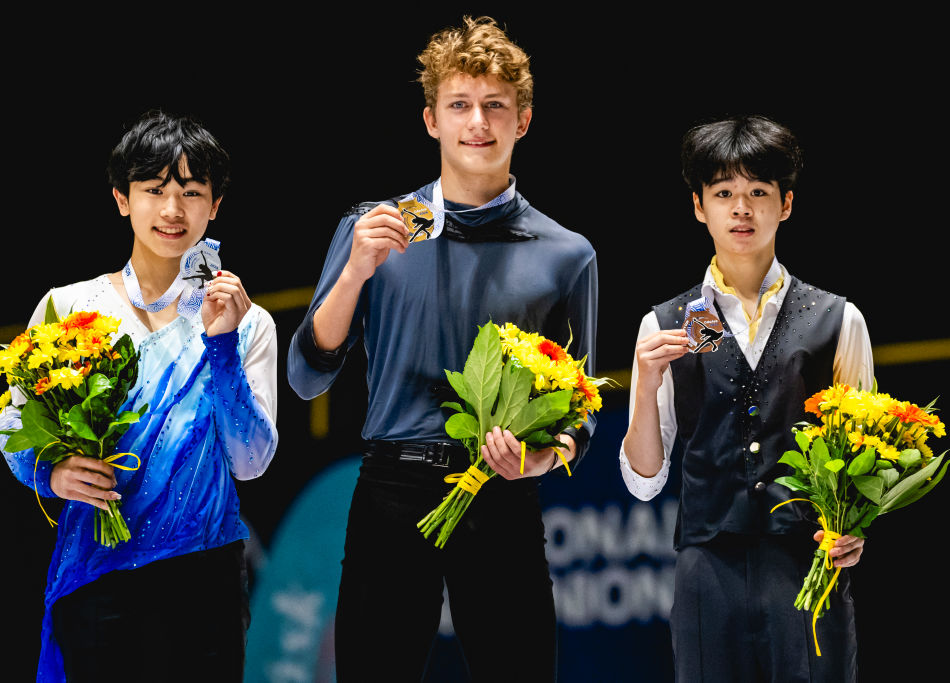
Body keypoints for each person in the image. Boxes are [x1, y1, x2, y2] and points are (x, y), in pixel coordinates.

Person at [288, 16, 597, 682]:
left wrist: (542, 457)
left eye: (495, 107)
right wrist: (352, 273)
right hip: (391, 493)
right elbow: (308, 377)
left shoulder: (569, 255)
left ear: (524, 120)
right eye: (459, 105)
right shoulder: (372, 229)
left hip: (501, 492)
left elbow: (583, 411)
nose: (477, 122)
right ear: (431, 119)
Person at [0, 111, 278, 682]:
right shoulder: (70, 307)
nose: (173, 210)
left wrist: (221, 348)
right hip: (98, 566)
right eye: (154, 190)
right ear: (122, 198)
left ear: (214, 206)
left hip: (206, 574)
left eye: (191, 192)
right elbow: (9, 426)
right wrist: (50, 473)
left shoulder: (249, 322)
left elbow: (251, 464)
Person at [620, 115, 873, 681]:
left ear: (785, 204)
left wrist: (856, 528)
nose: (742, 208)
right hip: (707, 567)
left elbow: (867, 457)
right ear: (698, 206)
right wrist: (644, 382)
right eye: (725, 193)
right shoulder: (666, 325)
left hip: (806, 557)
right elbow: (643, 478)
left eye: (759, 192)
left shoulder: (838, 318)